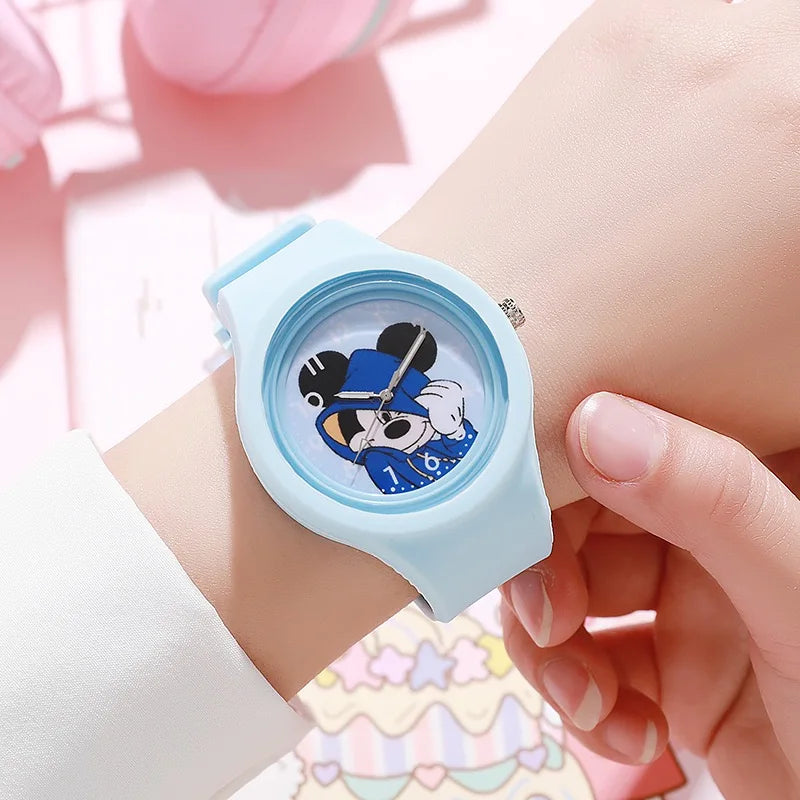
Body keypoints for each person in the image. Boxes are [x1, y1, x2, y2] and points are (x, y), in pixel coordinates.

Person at [2, 0, 799, 796]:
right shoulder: (377, 452)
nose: (374, 429)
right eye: (356, 423)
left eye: (384, 412)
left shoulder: (432, 425)